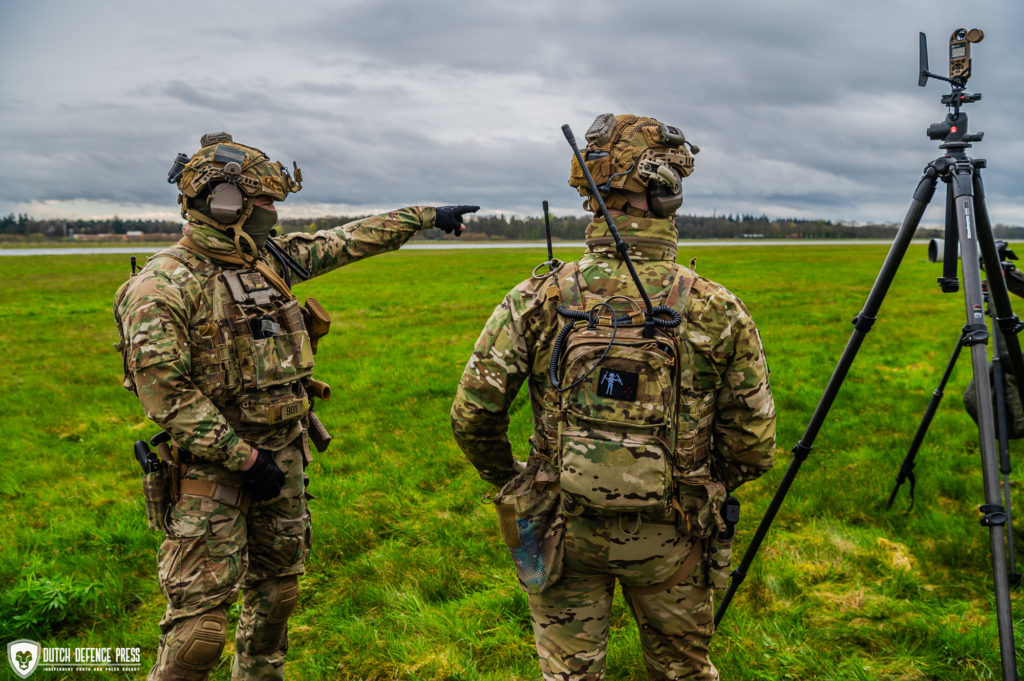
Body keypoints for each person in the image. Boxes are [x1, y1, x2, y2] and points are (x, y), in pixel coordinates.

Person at [114, 132, 478, 681]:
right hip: (212, 474)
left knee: (278, 594)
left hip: (283, 459)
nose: (274, 212)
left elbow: (351, 240)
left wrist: (427, 215)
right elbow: (168, 395)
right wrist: (242, 459)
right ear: (222, 203)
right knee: (199, 631)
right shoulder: (163, 285)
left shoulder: (268, 261)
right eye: (264, 201)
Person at [450, 113, 775, 680]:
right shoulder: (717, 307)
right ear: (665, 197)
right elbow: (753, 445)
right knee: (683, 673)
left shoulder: (538, 296)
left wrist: (518, 478)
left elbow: (473, 414)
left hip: (561, 528)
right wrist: (702, 482)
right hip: (675, 533)